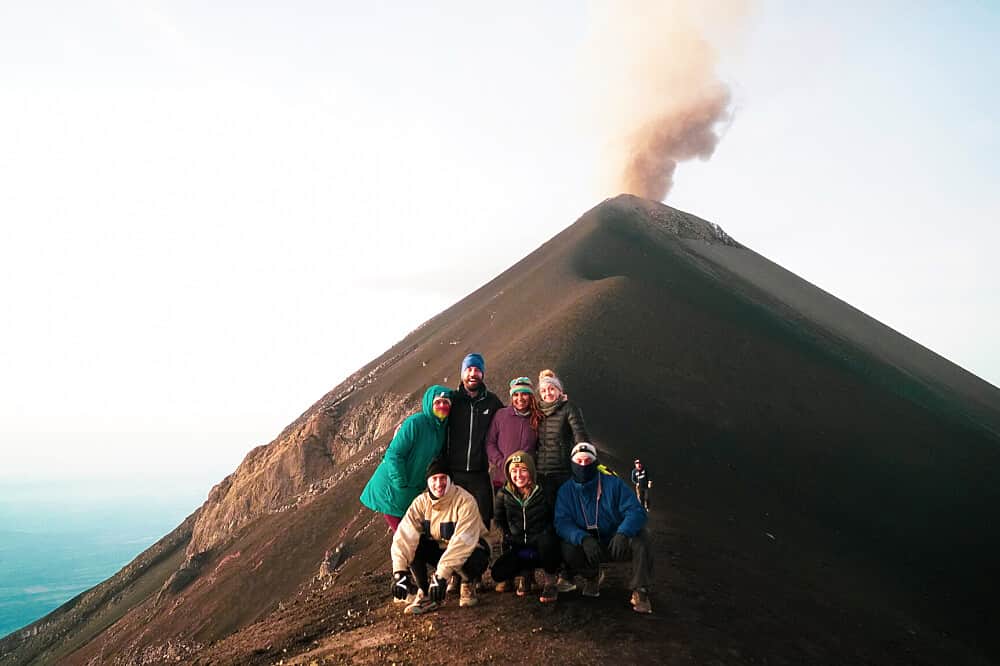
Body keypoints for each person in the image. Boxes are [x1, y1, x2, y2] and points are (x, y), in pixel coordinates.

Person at [555, 443, 654, 614]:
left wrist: (623, 532)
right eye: (579, 461)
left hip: (615, 542)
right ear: (572, 463)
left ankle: (641, 590)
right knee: (566, 546)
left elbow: (636, 511)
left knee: (643, 537)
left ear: (595, 463)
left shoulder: (613, 484)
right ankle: (591, 575)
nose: (583, 465)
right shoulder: (566, 491)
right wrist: (582, 538)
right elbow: (562, 523)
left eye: (588, 461)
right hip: (588, 545)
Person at [389, 459, 491, 614]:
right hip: (443, 552)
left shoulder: (465, 501)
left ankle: (467, 582)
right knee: (415, 544)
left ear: (450, 480)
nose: (439, 483)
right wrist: (399, 572)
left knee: (473, 557)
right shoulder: (421, 502)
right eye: (434, 479)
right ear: (428, 482)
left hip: (473, 550)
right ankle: (424, 592)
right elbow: (404, 536)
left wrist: (441, 576)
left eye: (443, 478)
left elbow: (463, 543)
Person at [360, 385, 452, 532]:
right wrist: (401, 483)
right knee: (406, 541)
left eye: (446, 403)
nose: (442, 406)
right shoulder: (415, 423)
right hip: (392, 491)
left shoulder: (441, 430)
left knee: (415, 539)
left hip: (409, 494)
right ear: (429, 403)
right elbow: (393, 454)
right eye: (438, 402)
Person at [443, 353, 504, 526]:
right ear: (462, 373)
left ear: (482, 374)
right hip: (454, 474)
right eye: (468, 369)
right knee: (453, 524)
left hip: (480, 474)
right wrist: (406, 424)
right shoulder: (452, 399)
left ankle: (482, 552)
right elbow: (433, 417)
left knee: (483, 523)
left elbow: (508, 420)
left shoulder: (492, 402)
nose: (472, 373)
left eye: (477, 370)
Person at [491, 451, 560, 602]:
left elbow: (555, 516)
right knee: (498, 572)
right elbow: (499, 520)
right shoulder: (504, 493)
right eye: (514, 471)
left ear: (531, 470)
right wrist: (509, 536)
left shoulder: (544, 489)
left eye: (523, 470)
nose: (518, 475)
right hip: (520, 544)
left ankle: (550, 582)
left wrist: (546, 533)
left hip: (541, 544)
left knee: (548, 542)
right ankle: (525, 575)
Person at [485, 377, 541, 490]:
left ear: (531, 397)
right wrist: (502, 462)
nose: (520, 398)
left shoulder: (537, 418)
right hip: (502, 478)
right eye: (516, 395)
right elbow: (490, 443)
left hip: (527, 480)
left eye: (524, 394)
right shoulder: (501, 415)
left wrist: (531, 464)